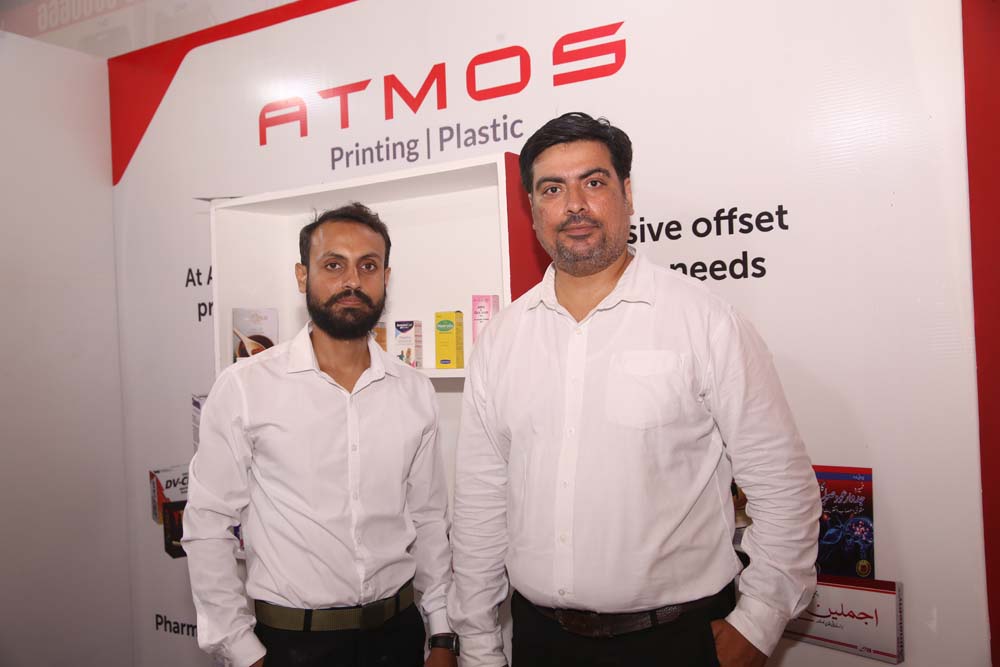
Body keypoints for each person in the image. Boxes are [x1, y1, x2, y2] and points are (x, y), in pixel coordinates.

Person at [448, 113, 821, 667]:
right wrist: (478, 642)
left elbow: (782, 485)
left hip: (677, 642)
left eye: (593, 182)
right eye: (553, 189)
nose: (575, 205)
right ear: (533, 209)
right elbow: (481, 503)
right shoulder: (501, 339)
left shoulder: (705, 321)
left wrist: (759, 622)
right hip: (540, 642)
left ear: (626, 193)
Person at [183, 203, 459, 667]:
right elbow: (208, 524)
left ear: (385, 278)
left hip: (398, 636)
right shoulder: (246, 387)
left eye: (367, 266)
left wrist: (442, 633)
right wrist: (242, 651)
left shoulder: (413, 390)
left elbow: (429, 520)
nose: (352, 281)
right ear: (302, 276)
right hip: (292, 644)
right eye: (333, 265)